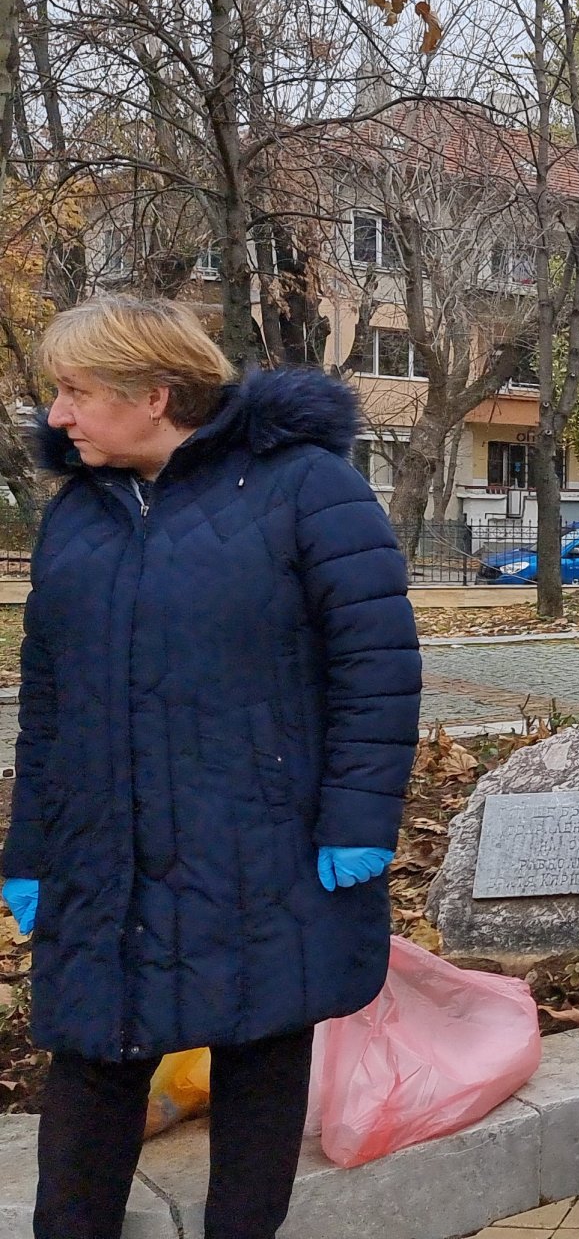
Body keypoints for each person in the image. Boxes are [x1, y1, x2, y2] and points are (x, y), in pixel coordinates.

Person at [0, 295, 422, 1239]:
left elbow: (377, 667)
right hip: (102, 848)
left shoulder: (308, 487)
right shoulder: (78, 514)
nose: (56, 415)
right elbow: (49, 698)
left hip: (261, 841)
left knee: (262, 1054)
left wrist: (357, 820)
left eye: (75, 392)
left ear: (155, 393)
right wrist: (30, 844)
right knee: (92, 1060)